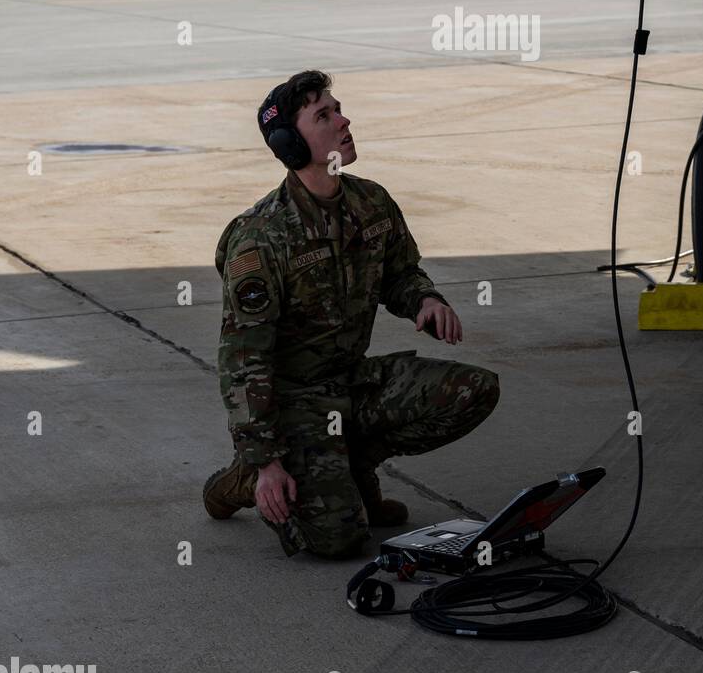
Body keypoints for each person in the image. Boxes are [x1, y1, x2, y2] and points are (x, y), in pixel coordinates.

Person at [203, 69, 500, 560]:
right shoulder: (261, 238)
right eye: (324, 115)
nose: (344, 120)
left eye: (338, 108)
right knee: (337, 542)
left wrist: (425, 300)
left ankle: (349, 464)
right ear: (291, 144)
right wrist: (266, 460)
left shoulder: (371, 202)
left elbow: (401, 272)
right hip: (293, 403)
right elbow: (242, 363)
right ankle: (245, 478)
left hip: (350, 382)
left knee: (473, 390)